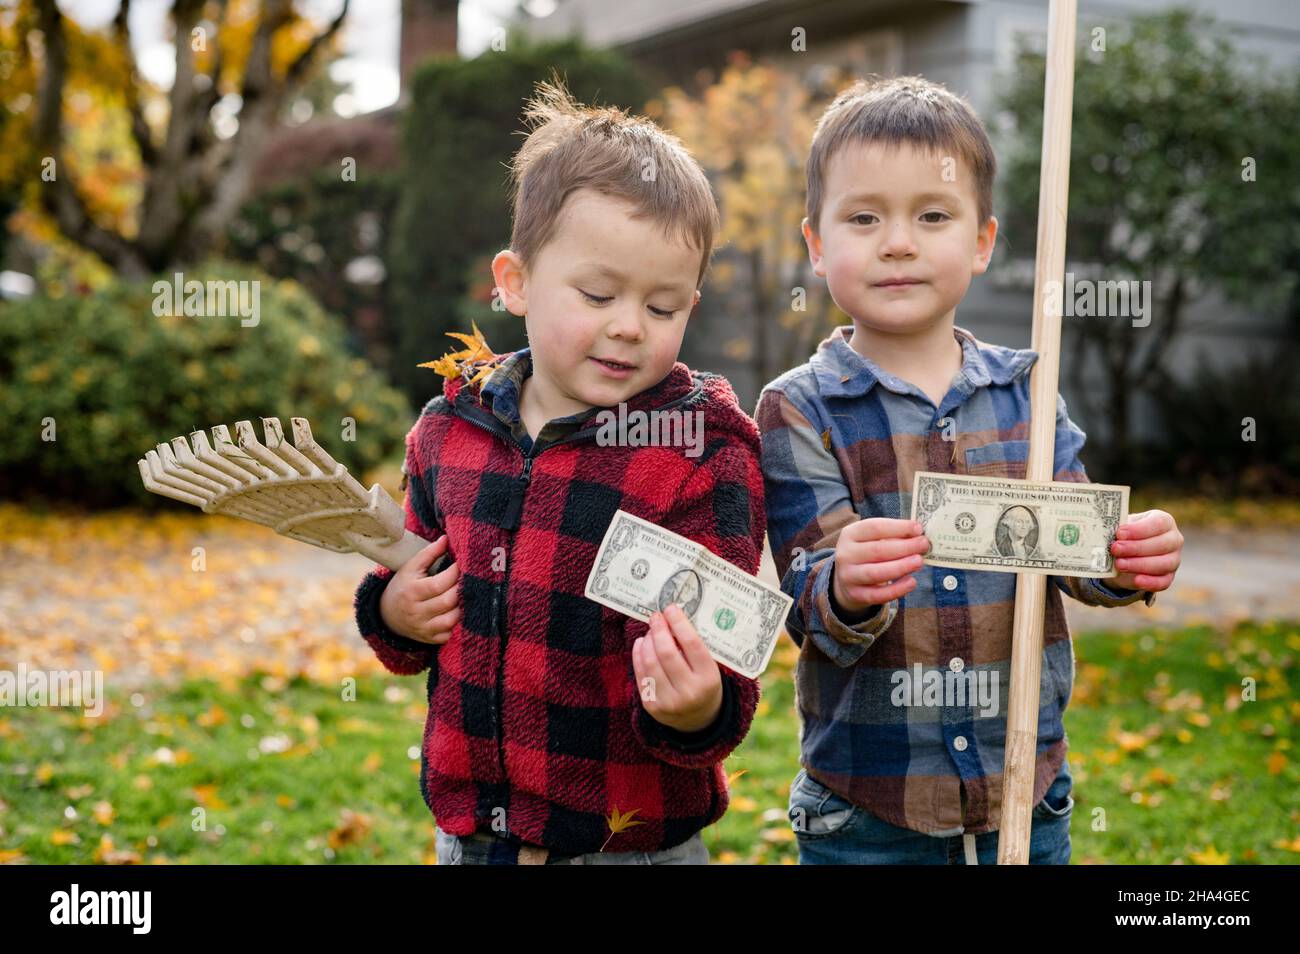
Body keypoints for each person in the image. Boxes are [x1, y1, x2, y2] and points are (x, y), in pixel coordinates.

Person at [755, 76, 1184, 865]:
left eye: (932, 215)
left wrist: (1125, 558)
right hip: (867, 809)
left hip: (1022, 789)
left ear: (982, 242)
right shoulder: (798, 409)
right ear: (816, 247)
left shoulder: (1031, 391)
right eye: (863, 217)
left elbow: (1076, 547)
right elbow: (802, 601)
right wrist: (842, 584)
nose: (897, 242)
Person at [353, 81, 766, 865]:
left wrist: (697, 707)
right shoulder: (448, 432)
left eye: (663, 306)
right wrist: (395, 612)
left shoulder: (698, 451)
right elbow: (411, 581)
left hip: (631, 843)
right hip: (476, 833)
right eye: (599, 293)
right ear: (515, 282)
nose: (627, 325)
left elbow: (726, 656)